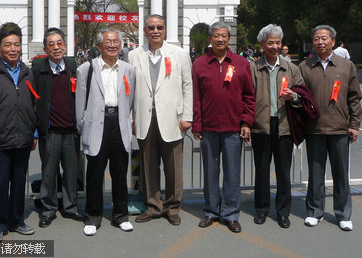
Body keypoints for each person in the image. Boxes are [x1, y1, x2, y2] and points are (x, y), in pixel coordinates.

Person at [192, 21, 256, 233]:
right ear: (210, 38)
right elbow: (196, 98)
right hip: (209, 128)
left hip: (233, 129)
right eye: (216, 36)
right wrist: (198, 124)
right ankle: (211, 211)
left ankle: (230, 213)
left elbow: (249, 96)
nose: (220, 39)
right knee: (210, 172)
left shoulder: (241, 63)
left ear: (229, 39)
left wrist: (246, 121)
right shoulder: (200, 64)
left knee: (232, 173)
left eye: (224, 36)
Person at [129, 14, 193, 227]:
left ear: (165, 30)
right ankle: (153, 206)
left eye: (159, 27)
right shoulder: (134, 55)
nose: (155, 31)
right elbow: (129, 89)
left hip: (172, 119)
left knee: (173, 166)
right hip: (144, 117)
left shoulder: (179, 54)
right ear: (145, 31)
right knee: (148, 166)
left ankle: (173, 207)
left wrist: (187, 116)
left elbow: (187, 86)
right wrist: (130, 117)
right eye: (151, 27)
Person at [0, 23, 38, 243]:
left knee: (19, 180)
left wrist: (34, 133)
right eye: (8, 45)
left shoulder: (27, 72)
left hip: (22, 138)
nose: (13, 49)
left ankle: (17, 220)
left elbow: (33, 104)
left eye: (16, 44)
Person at [299, 25, 362, 232]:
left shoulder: (346, 66)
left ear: (333, 41)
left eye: (324, 38)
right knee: (315, 174)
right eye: (316, 39)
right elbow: (299, 96)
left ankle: (343, 214)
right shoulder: (305, 66)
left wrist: (354, 125)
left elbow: (354, 97)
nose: (320, 42)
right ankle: (314, 212)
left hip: (339, 129)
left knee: (341, 174)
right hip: (314, 129)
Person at [76, 29, 135, 236]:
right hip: (96, 125)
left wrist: (130, 122)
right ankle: (92, 216)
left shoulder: (128, 69)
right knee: (94, 174)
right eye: (108, 42)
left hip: (119, 123)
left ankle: (121, 215)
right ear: (99, 46)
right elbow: (80, 103)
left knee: (120, 172)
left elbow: (131, 97)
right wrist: (83, 128)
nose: (112, 45)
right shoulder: (86, 69)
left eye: (116, 41)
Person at [250, 24, 304, 228]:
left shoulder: (291, 68)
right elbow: (247, 97)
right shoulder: (253, 68)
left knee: (283, 171)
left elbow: (303, 96)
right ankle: (261, 209)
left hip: (284, 127)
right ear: (262, 44)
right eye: (270, 42)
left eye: (278, 42)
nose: (275, 46)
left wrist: (295, 96)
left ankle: (283, 212)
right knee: (262, 170)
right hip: (260, 126)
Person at [33, 27, 84, 228]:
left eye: (59, 43)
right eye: (51, 44)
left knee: (71, 172)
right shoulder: (38, 71)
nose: (56, 48)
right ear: (45, 49)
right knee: (48, 173)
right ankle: (48, 209)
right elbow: (33, 101)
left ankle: (71, 207)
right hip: (50, 132)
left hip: (71, 132)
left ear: (65, 45)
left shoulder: (74, 69)